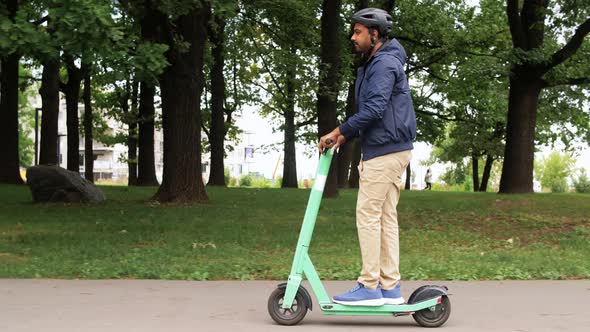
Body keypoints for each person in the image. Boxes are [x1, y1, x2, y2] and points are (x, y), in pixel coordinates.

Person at [318, 8, 416, 306]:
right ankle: (389, 286)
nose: (353, 37)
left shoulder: (384, 64)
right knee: (385, 217)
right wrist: (346, 135)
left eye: (358, 32)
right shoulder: (378, 62)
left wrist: (338, 130)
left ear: (375, 34)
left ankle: (369, 285)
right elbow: (376, 111)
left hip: (386, 150)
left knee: (368, 215)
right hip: (391, 147)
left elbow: (373, 110)